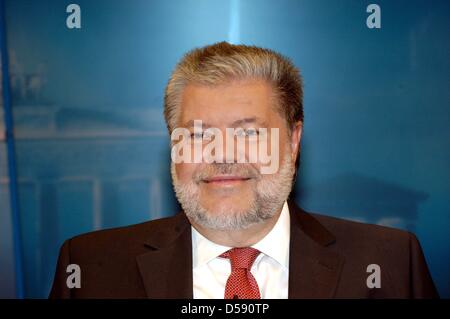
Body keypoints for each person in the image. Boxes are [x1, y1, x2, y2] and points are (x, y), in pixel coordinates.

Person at [49, 42, 438, 299]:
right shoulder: (89, 269)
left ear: (293, 139)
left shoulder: (389, 262)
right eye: (199, 134)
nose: (222, 155)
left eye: (249, 132)